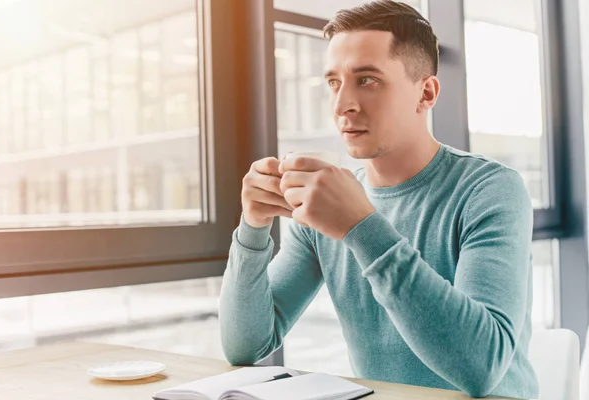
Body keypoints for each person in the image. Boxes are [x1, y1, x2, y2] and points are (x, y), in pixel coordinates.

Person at [219, 1, 539, 398]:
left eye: (367, 80)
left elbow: (480, 367)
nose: (341, 106)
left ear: (426, 93)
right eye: (334, 82)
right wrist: (253, 226)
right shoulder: (330, 203)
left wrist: (361, 227)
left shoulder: (490, 189)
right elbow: (245, 346)